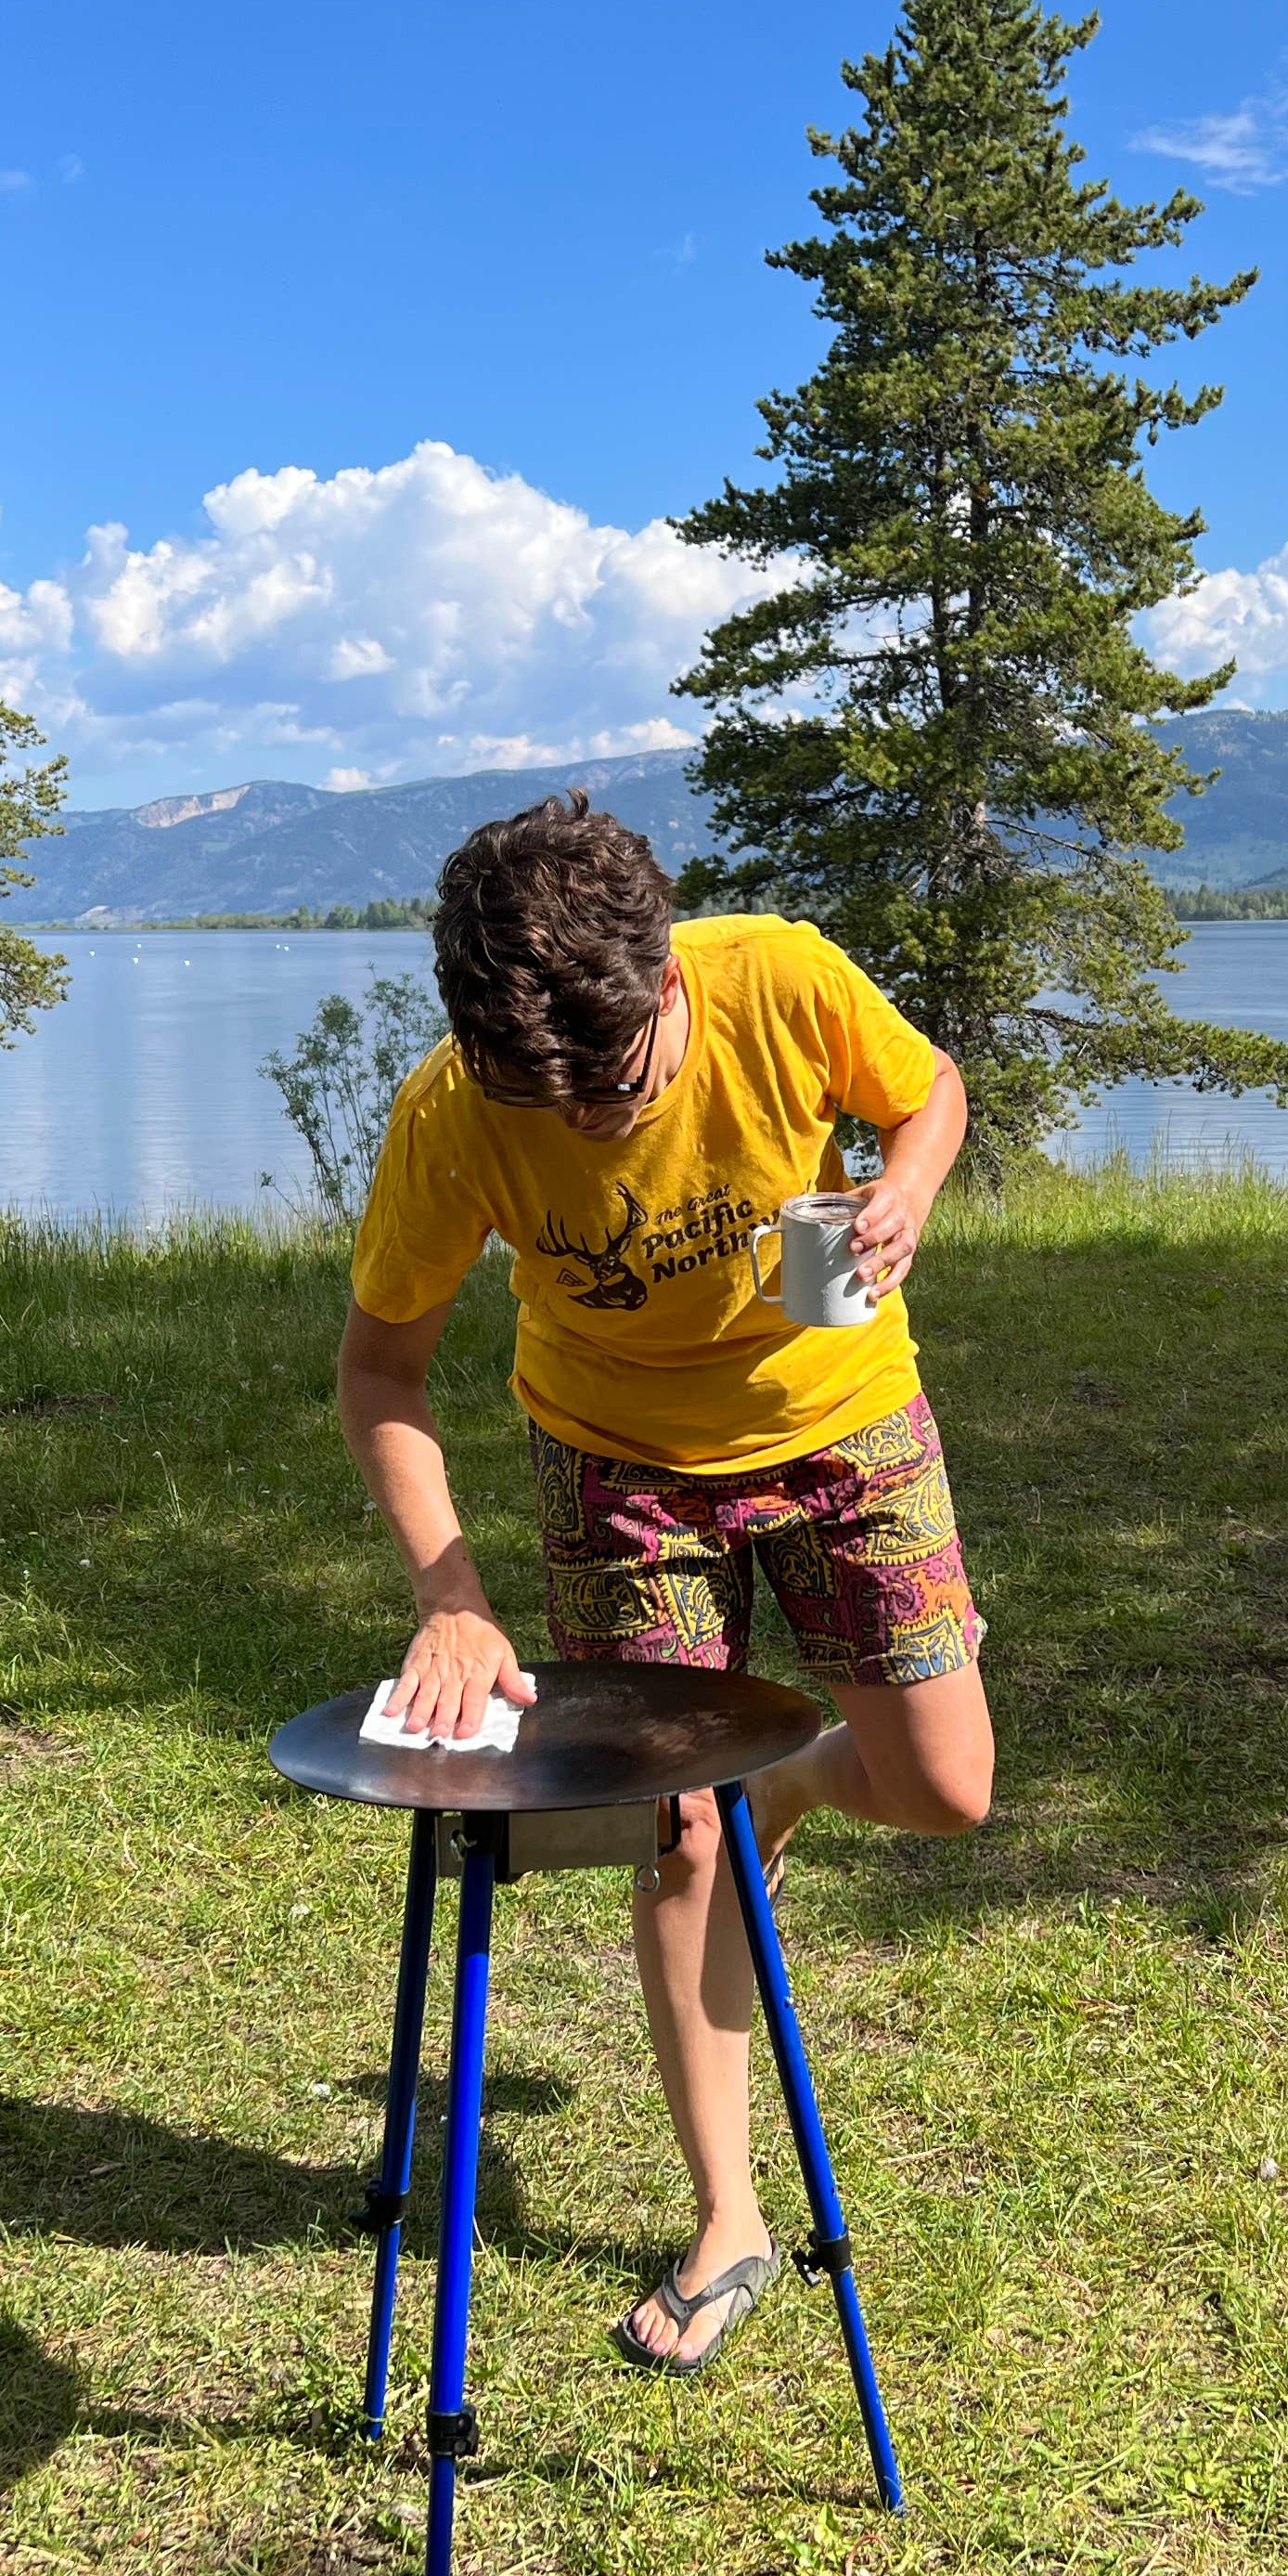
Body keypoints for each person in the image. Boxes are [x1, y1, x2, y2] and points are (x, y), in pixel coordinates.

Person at [336, 796, 992, 2375]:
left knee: (949, 1793)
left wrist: (904, 1186)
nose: (582, 1122)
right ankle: (730, 2218)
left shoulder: (778, 978)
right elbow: (380, 1367)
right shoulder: (455, 1112)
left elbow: (932, 1091)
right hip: (616, 1466)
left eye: (611, 1080)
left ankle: (792, 1789)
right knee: (674, 1831)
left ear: (665, 977)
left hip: (845, 1420)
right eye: (536, 1096)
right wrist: (450, 1590)